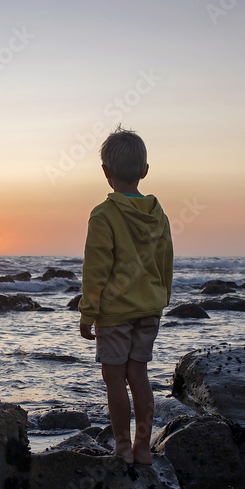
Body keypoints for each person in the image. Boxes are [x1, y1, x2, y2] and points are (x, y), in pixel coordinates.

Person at [79, 126, 173, 465]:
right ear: (145, 171)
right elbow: (166, 257)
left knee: (115, 381)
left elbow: (97, 268)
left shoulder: (104, 215)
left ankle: (122, 447)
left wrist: (88, 312)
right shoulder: (157, 213)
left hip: (115, 312)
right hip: (149, 308)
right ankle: (143, 448)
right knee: (140, 375)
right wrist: (163, 295)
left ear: (106, 172)